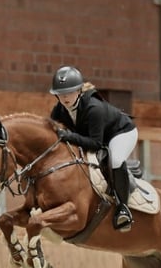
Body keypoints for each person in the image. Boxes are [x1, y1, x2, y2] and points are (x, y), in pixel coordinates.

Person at [49, 65, 136, 232]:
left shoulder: (93, 108)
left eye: (70, 92)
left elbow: (96, 144)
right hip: (95, 136)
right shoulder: (59, 110)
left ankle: (123, 208)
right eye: (60, 93)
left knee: (116, 159)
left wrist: (69, 136)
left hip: (120, 133)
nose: (65, 97)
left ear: (79, 91)